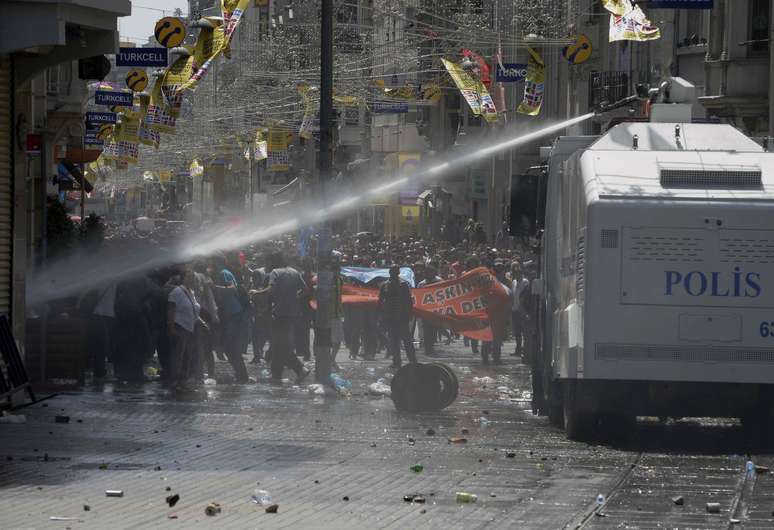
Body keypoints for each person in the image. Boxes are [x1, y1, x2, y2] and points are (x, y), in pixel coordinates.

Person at [266, 252, 311, 384]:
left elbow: (271, 289)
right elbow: (306, 290)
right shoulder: (294, 272)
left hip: (280, 314)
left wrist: (257, 292)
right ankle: (276, 375)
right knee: (278, 345)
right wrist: (294, 297)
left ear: (274, 261)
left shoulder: (275, 272)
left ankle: (300, 368)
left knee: (280, 345)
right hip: (293, 314)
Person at [211, 254, 250, 384]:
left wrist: (215, 287)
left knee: (230, 346)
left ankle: (242, 375)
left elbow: (233, 289)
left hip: (234, 313)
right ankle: (241, 375)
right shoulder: (221, 273)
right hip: (230, 314)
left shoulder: (224, 272)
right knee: (229, 347)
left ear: (216, 262)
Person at [167, 267, 201, 387]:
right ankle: (174, 380)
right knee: (178, 355)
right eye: (188, 276)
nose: (191, 278)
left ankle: (183, 380)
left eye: (192, 276)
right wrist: (171, 327)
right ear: (182, 278)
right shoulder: (177, 291)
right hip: (180, 326)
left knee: (187, 355)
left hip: (190, 327)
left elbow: (194, 308)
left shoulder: (192, 291)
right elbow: (171, 309)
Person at [378, 264, 416, 369]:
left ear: (398, 272)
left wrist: (409, 314)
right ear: (389, 272)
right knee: (394, 341)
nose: (393, 273)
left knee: (407, 341)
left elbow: (409, 301)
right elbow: (380, 301)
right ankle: (396, 362)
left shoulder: (404, 285)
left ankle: (412, 361)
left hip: (401, 317)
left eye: (395, 271)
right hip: (390, 317)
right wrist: (381, 316)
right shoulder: (384, 285)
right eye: (391, 271)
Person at [417, 266, 442, 356]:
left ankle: (430, 346)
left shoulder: (439, 281)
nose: (428, 274)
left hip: (436, 310)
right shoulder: (421, 284)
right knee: (427, 329)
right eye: (426, 272)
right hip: (425, 311)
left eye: (430, 272)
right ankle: (428, 349)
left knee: (433, 329)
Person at [510, 261, 530, 358]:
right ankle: (518, 349)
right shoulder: (513, 282)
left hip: (522, 310)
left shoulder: (525, 282)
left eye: (518, 273)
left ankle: (524, 350)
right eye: (515, 273)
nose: (516, 275)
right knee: (517, 332)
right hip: (515, 310)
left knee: (524, 331)